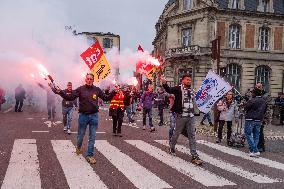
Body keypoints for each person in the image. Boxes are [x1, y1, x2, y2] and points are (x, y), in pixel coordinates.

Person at [50, 73, 116, 164]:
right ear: (85, 80)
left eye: (91, 79)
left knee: (92, 136)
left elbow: (106, 98)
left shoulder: (97, 90)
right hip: (83, 116)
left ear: (93, 80)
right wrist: (60, 92)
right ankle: (78, 147)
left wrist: (114, 92)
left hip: (94, 116)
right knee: (80, 135)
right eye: (87, 79)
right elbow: (70, 97)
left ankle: (90, 155)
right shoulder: (80, 89)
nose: (89, 80)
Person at [161, 74, 203, 165]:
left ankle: (194, 155)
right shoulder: (178, 88)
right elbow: (169, 90)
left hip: (191, 116)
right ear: (182, 80)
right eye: (187, 80)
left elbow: (198, 99)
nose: (189, 81)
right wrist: (164, 83)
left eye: (189, 80)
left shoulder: (192, 90)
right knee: (177, 133)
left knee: (192, 135)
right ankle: (171, 147)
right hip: (181, 115)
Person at [244, 88, 267, 157]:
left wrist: (246, 103)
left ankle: (255, 150)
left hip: (250, 119)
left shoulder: (252, 100)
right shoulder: (264, 101)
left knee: (247, 134)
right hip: (259, 120)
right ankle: (252, 151)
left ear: (255, 93)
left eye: (252, 93)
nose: (251, 94)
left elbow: (246, 108)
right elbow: (265, 111)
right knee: (256, 135)